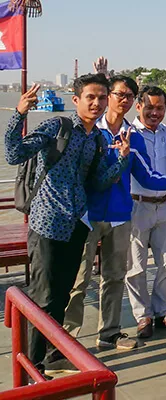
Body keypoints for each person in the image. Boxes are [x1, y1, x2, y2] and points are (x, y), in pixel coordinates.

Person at [4, 74, 130, 373]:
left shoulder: (96, 139)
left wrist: (122, 159)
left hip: (76, 224)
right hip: (47, 223)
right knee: (43, 297)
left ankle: (53, 356)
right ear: (76, 100)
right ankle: (32, 365)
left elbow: (98, 182)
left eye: (102, 97)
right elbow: (13, 153)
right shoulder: (57, 127)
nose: (97, 103)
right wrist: (19, 113)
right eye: (91, 97)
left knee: (62, 294)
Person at [63, 75, 166, 350]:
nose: (123, 100)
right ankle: (65, 342)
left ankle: (109, 334)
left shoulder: (132, 137)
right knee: (79, 280)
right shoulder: (90, 130)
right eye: (118, 94)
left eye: (128, 95)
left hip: (121, 214)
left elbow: (147, 176)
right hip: (87, 216)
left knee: (114, 277)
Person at [126, 86, 166, 338]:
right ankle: (143, 316)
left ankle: (164, 311)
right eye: (149, 107)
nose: (155, 112)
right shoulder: (128, 134)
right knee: (136, 267)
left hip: (164, 205)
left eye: (160, 108)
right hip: (136, 205)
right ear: (138, 106)